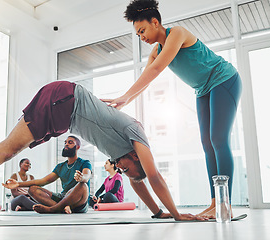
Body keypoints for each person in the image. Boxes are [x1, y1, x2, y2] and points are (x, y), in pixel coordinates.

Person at [0, 80, 204, 221]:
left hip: (63, 110)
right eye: (127, 168)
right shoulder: (137, 132)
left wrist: (158, 212)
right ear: (136, 155)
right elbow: (153, 176)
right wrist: (178, 214)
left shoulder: (127, 154)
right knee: (7, 150)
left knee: (8, 148)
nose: (120, 169)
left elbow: (140, 181)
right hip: (64, 100)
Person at [101, 0, 242, 218]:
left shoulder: (177, 33)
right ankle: (215, 203)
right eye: (138, 34)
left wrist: (125, 96)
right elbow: (146, 80)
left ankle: (226, 204)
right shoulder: (155, 51)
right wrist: (124, 99)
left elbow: (158, 68)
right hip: (203, 89)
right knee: (207, 143)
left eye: (142, 30)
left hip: (224, 79)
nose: (141, 37)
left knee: (218, 139)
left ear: (155, 22)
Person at [3, 135, 92, 214]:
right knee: (32, 189)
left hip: (78, 202)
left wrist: (82, 178)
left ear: (78, 147)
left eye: (70, 142)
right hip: (63, 197)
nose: (66, 144)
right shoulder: (60, 166)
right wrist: (18, 184)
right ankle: (62, 208)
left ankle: (52, 209)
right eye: (65, 142)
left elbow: (86, 176)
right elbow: (43, 181)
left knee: (83, 186)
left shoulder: (84, 163)